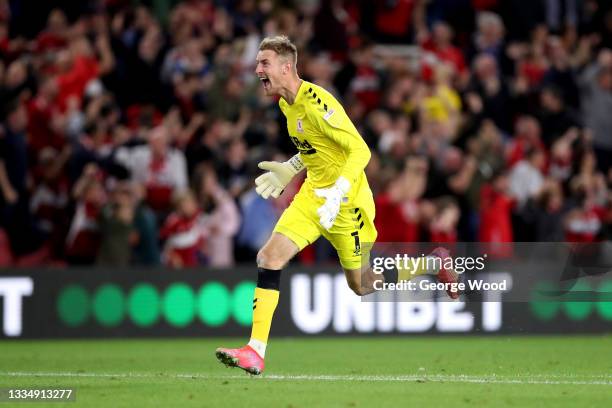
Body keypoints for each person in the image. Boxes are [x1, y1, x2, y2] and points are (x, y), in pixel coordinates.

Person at [215, 36, 459, 375]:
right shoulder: (287, 104)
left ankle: (432, 264)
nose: (257, 70)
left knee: (360, 284)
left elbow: (360, 151)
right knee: (268, 257)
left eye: (264, 63)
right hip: (313, 195)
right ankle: (255, 351)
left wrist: (339, 192)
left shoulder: (317, 101)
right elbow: (317, 147)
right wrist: (291, 167)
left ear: (287, 67)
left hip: (348, 206)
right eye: (258, 63)